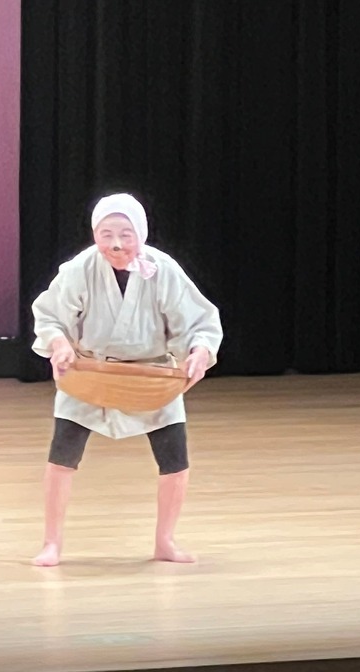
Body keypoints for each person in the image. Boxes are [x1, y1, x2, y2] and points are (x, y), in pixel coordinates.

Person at [31, 193, 222, 566]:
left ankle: (165, 542)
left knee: (175, 462)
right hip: (91, 373)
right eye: (106, 235)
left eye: (125, 235)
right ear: (94, 234)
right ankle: (51, 543)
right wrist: (60, 344)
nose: (116, 244)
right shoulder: (80, 268)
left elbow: (197, 321)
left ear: (141, 234)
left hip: (150, 375)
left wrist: (200, 350)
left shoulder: (163, 269)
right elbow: (50, 316)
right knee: (61, 459)